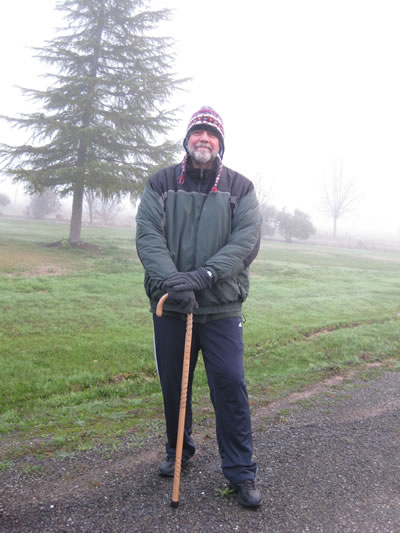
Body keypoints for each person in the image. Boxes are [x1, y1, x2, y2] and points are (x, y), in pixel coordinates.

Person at [136, 106, 262, 508]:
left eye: (211, 134)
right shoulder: (160, 182)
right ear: (187, 140)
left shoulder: (241, 188)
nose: (203, 139)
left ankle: (240, 471)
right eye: (197, 133)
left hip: (221, 307)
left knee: (229, 384)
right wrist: (175, 283)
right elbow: (148, 237)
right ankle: (179, 451)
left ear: (220, 142)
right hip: (173, 306)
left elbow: (245, 243)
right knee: (176, 385)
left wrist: (203, 277)